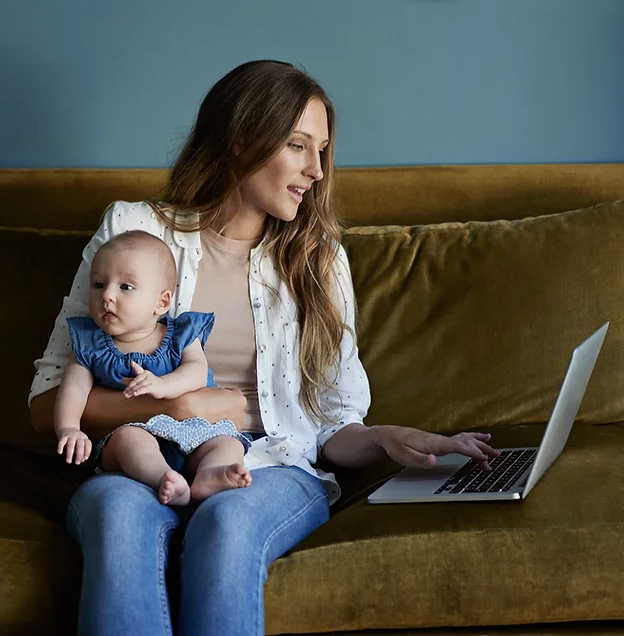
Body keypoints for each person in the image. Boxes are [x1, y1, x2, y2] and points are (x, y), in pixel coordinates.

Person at [28, 59, 500, 636]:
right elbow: (47, 399)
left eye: (322, 151)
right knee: (117, 517)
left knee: (228, 524)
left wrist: (383, 438)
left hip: (270, 466)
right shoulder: (133, 230)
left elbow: (330, 427)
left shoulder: (320, 258)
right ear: (240, 140)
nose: (317, 170)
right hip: (138, 460)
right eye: (299, 146)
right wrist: (176, 407)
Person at [54, 230, 252, 507]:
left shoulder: (180, 334)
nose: (107, 295)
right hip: (134, 433)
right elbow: (73, 388)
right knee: (128, 439)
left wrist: (164, 385)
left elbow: (197, 370)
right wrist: (68, 429)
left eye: (126, 287)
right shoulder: (91, 344)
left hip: (194, 432)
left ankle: (209, 475)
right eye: (98, 284)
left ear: (161, 302)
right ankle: (164, 478)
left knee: (227, 443)